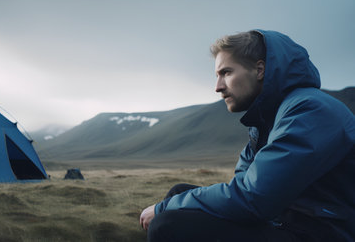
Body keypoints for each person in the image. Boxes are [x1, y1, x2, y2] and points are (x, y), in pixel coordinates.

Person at [139, 30, 355, 241]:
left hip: (318, 232)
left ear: (259, 70)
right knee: (179, 193)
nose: (217, 87)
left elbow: (253, 198)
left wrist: (162, 208)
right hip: (284, 219)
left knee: (167, 225)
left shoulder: (309, 110)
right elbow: (245, 182)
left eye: (226, 73)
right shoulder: (266, 119)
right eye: (217, 76)